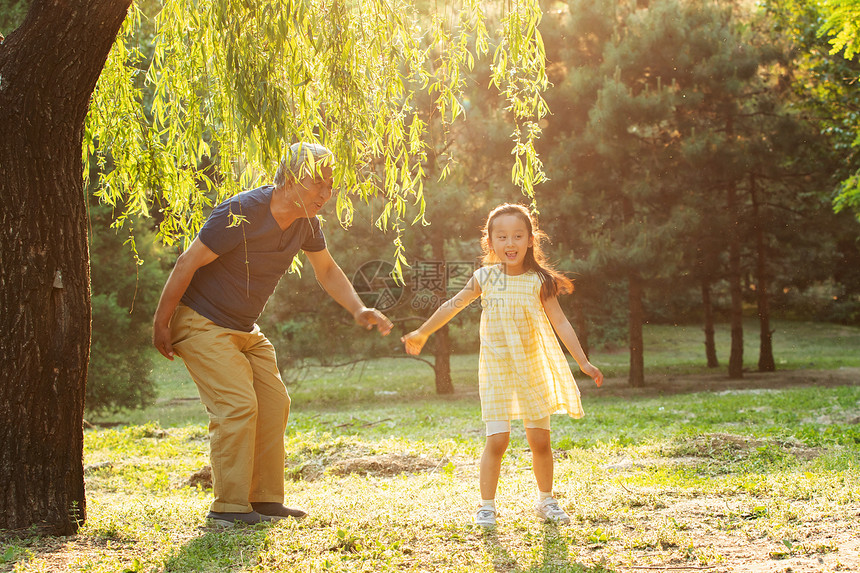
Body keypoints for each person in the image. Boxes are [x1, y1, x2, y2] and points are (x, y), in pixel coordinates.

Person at [152, 142, 393, 527]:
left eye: (330, 185)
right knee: (237, 406)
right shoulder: (241, 212)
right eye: (318, 183)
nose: (325, 194)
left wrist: (358, 308)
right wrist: (162, 323)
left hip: (244, 328)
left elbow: (327, 270)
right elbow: (188, 262)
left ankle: (263, 500)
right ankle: (228, 508)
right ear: (292, 178)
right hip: (200, 321)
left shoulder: (306, 224)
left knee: (274, 402)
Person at [402, 203, 603, 527]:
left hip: (532, 365)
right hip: (496, 368)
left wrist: (583, 361)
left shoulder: (540, 280)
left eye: (518, 236)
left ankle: (546, 500)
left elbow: (561, 323)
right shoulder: (485, 277)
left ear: (529, 240)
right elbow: (452, 305)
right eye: (502, 237)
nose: (510, 243)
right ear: (490, 242)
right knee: (498, 440)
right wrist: (423, 331)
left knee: (540, 439)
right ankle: (486, 506)